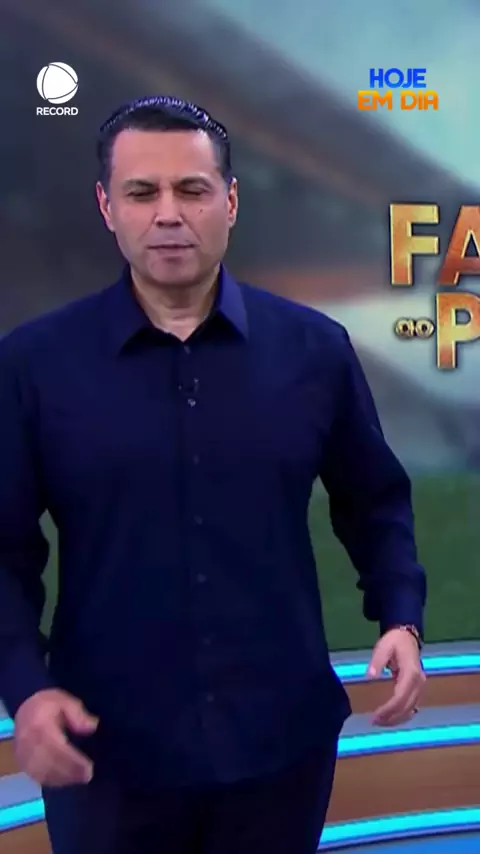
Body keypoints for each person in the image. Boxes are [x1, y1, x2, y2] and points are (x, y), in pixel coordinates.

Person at [0, 95, 426, 854]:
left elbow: (374, 500)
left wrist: (400, 616)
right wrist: (26, 689)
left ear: (229, 201)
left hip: (280, 750)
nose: (169, 214)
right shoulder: (33, 366)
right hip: (108, 759)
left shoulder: (315, 350)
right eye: (142, 192)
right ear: (106, 206)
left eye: (191, 190)